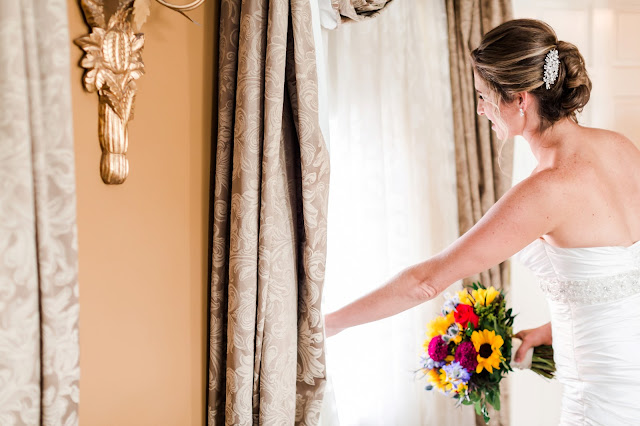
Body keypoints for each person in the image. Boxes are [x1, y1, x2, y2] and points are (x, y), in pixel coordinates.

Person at [324, 19, 640, 425]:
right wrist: (553, 328)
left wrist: (327, 325)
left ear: (521, 99)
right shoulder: (621, 148)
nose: (479, 109)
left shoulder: (545, 188)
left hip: (604, 402)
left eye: (483, 96)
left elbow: (427, 280)